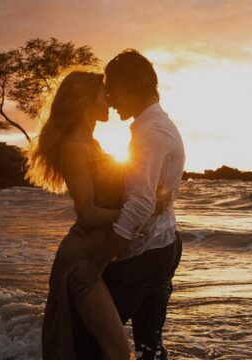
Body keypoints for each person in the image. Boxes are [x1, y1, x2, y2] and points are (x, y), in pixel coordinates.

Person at [25, 70, 171, 359]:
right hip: (80, 258)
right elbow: (88, 214)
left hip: (95, 250)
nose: (110, 101)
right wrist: (137, 216)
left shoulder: (91, 144)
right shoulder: (75, 147)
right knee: (116, 350)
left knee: (95, 347)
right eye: (103, 95)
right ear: (85, 102)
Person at [72, 49, 185, 360]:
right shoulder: (158, 125)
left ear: (131, 86)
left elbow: (139, 205)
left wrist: (96, 264)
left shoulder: (151, 132)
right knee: (149, 347)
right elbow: (146, 196)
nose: (110, 98)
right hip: (164, 244)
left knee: (92, 342)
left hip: (145, 254)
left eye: (113, 89)